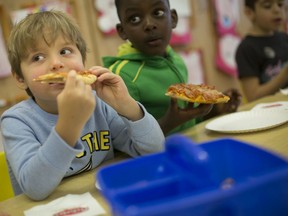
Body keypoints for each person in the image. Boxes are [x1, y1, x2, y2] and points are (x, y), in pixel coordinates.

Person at [0, 10, 165, 201]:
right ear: (21, 78)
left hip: (105, 200)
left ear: (83, 61)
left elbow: (155, 151)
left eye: (65, 51)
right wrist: (70, 124)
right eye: (37, 57)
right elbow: (35, 188)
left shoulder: (99, 104)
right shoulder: (16, 121)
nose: (56, 63)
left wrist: (128, 106)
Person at [103, 0, 242, 135]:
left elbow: (187, 121)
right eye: (135, 19)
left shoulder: (176, 60)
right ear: (122, 31)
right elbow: (123, 141)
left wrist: (215, 109)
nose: (149, 24)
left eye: (157, 12)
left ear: (173, 18)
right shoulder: (120, 77)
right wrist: (170, 122)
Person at [235, 0, 288, 102]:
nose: (277, 10)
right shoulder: (246, 49)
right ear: (249, 13)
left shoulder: (284, 37)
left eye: (280, 4)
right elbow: (253, 96)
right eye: (267, 6)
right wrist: (285, 73)